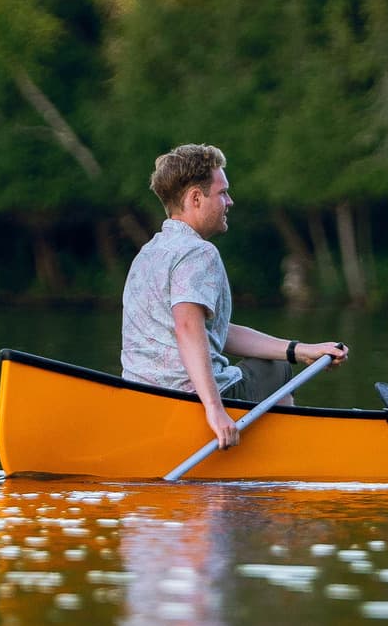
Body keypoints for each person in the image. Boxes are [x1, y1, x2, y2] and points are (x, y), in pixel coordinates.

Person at [120, 143, 348, 448]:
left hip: (140, 400)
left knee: (278, 360)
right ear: (196, 198)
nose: (230, 201)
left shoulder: (147, 254)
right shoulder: (199, 253)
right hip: (187, 402)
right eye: (222, 192)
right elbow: (188, 327)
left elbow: (209, 333)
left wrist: (300, 350)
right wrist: (215, 411)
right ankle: (287, 456)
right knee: (275, 369)